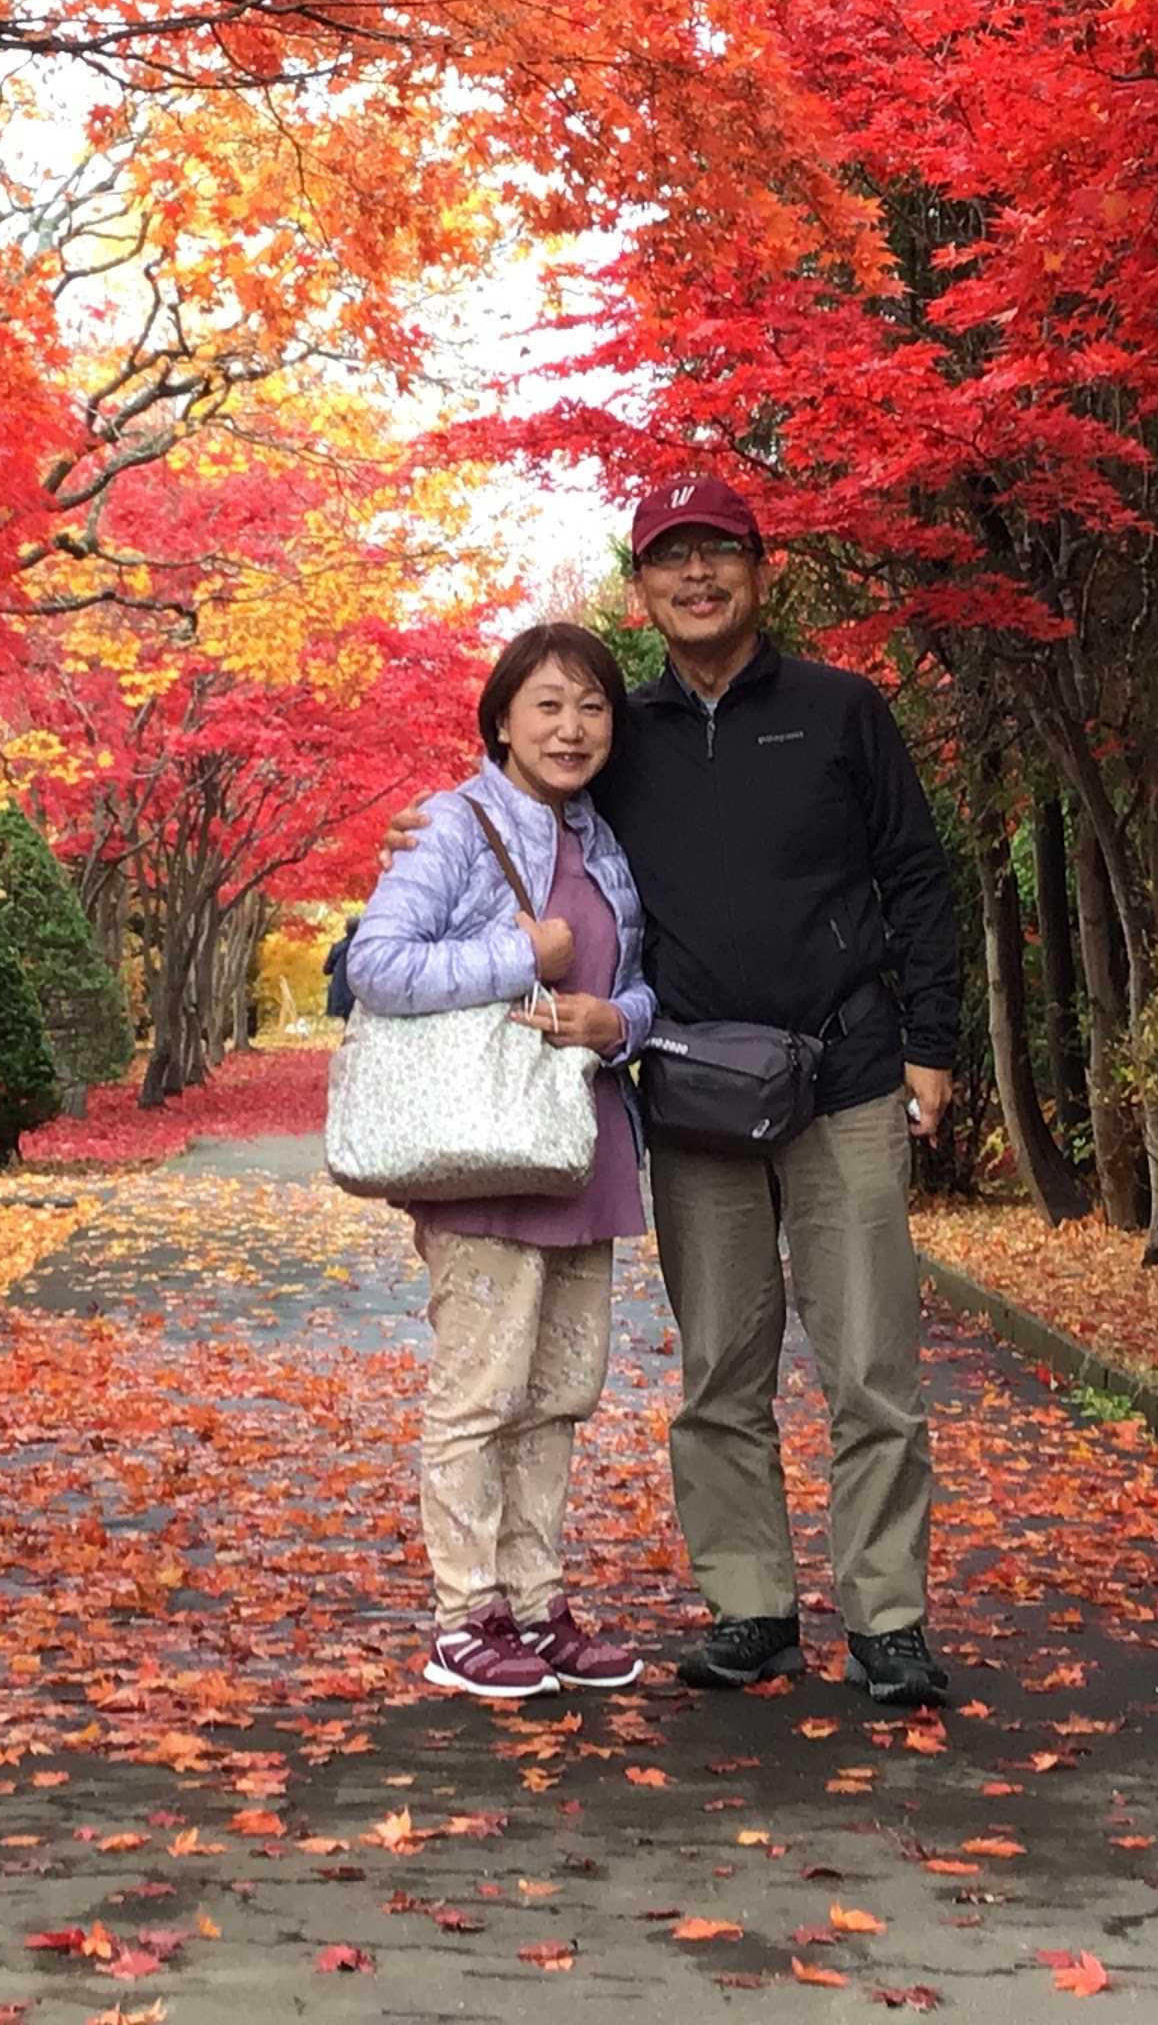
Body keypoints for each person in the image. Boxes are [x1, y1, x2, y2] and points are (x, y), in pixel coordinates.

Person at [387, 478, 964, 1708]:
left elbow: (917, 875)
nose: (696, 580)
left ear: (763, 573)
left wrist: (934, 1043)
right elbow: (519, 811)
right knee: (722, 1369)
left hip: (847, 1073)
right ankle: (751, 1604)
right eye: (670, 562)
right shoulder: (624, 734)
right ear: (642, 586)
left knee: (870, 1365)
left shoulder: (840, 711)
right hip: (694, 1089)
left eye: (720, 558)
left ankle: (888, 1619)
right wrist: (422, 836)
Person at [346, 623, 658, 1700]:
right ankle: (464, 1613)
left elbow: (646, 982)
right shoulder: (450, 825)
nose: (571, 728)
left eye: (592, 708)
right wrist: (518, 958)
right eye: (548, 705)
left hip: (584, 1142)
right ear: (502, 720)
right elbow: (373, 965)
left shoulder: (608, 843)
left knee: (562, 1389)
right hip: (484, 1149)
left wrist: (612, 1020)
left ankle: (536, 1602)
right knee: (480, 1388)